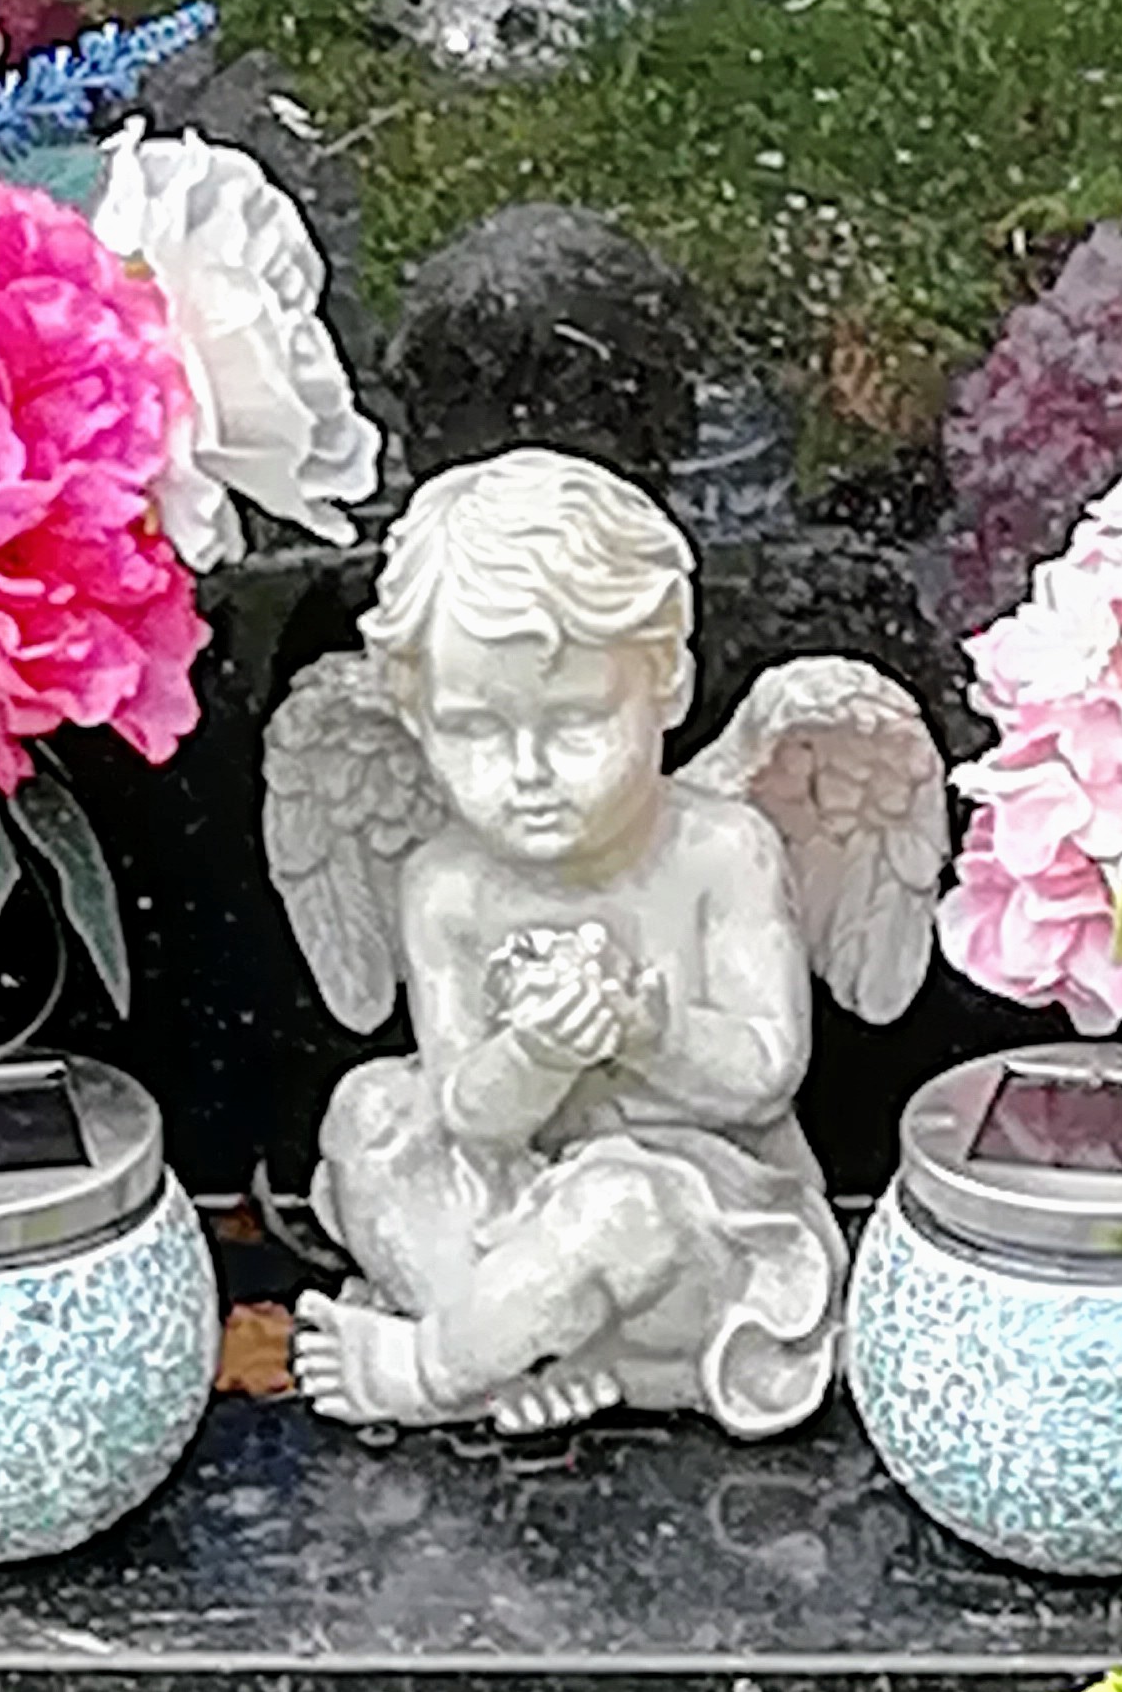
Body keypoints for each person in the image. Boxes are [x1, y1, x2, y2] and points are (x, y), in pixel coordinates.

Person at [290, 452, 843, 1438]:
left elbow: (763, 1078)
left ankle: (434, 1366)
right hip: (515, 1196)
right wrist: (537, 1054)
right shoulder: (448, 884)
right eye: (472, 730)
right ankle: (519, 1347)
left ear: (666, 683)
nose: (528, 770)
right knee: (370, 1111)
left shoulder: (723, 849)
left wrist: (647, 1031)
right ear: (416, 718)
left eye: (578, 718)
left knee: (614, 1205)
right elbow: (472, 1114)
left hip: (702, 1230)